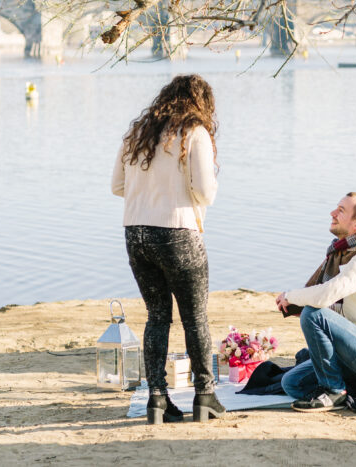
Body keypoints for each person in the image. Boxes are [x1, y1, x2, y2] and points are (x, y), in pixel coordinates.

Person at [111, 74, 225, 424]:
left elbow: (117, 186)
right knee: (195, 317)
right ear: (201, 104)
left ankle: (157, 398)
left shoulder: (137, 134)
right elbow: (205, 192)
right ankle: (204, 395)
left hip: (135, 233)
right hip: (177, 232)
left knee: (157, 316)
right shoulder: (194, 133)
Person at [275, 192, 356, 412]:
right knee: (291, 383)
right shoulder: (343, 253)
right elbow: (333, 299)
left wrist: (290, 297)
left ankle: (333, 391)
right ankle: (344, 386)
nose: (333, 213)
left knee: (314, 315)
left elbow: (326, 295)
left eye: (341, 211)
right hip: (353, 348)